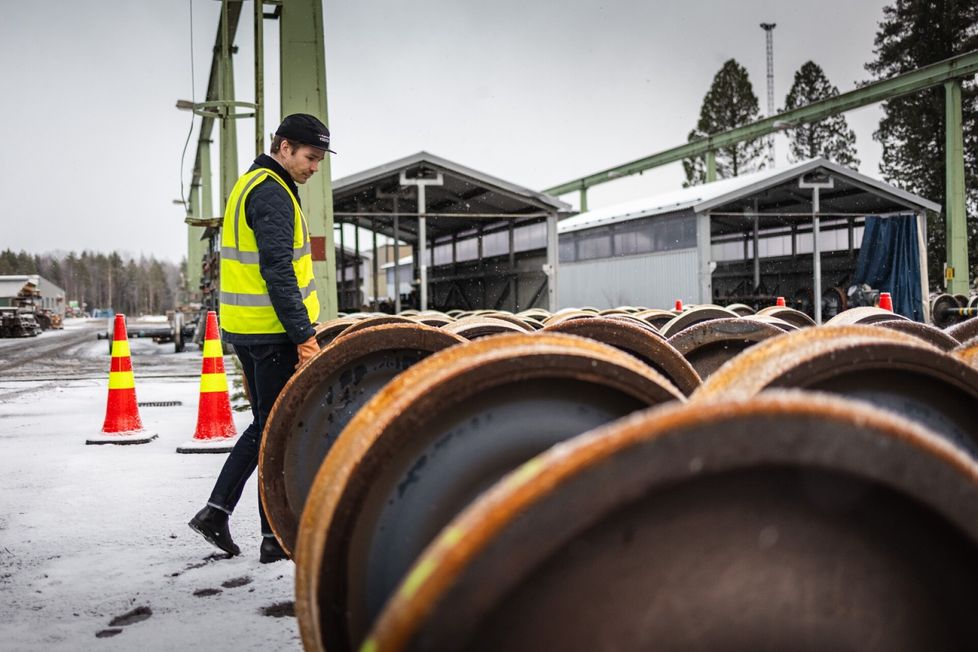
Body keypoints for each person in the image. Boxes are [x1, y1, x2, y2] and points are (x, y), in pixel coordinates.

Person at [189, 113, 335, 563]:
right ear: (285, 146)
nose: (314, 168)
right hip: (271, 334)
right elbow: (278, 273)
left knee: (269, 428)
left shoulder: (250, 184)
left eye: (319, 160)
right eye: (310, 157)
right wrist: (305, 338)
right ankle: (225, 517)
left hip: (250, 330)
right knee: (272, 430)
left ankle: (263, 533)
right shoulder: (271, 193)